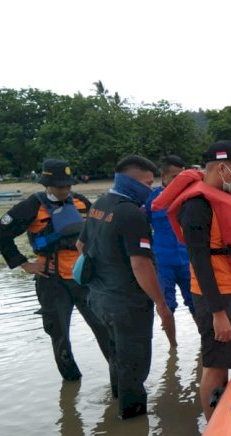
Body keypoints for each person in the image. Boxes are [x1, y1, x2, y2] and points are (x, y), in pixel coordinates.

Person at [153, 141, 231, 421]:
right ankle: (213, 427)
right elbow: (200, 262)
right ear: (220, 167)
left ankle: (222, 415)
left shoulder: (220, 198)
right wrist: (218, 313)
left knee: (224, 360)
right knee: (214, 365)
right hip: (214, 298)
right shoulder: (197, 205)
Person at [0, 159, 111, 381]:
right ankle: (71, 385)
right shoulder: (30, 206)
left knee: (104, 328)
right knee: (59, 335)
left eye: (68, 186)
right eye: (60, 186)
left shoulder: (81, 202)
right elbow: (1, 233)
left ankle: (119, 383)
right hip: (51, 280)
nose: (65, 190)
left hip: (83, 277)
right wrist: (24, 263)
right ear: (47, 184)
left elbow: (99, 232)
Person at [78, 155, 174, 419]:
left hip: (99, 298)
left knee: (117, 357)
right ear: (132, 180)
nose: (150, 189)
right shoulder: (131, 213)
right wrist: (161, 304)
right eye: (147, 182)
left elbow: (81, 246)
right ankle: (132, 427)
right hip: (127, 304)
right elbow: (141, 265)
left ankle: (118, 403)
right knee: (134, 366)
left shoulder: (100, 204)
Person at [145, 155, 193, 346]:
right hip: (163, 260)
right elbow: (142, 227)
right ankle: (173, 347)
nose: (179, 181)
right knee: (166, 305)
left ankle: (205, 344)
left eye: (182, 176)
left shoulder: (191, 197)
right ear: (163, 176)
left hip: (188, 258)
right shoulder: (151, 199)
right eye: (174, 177)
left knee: (196, 303)